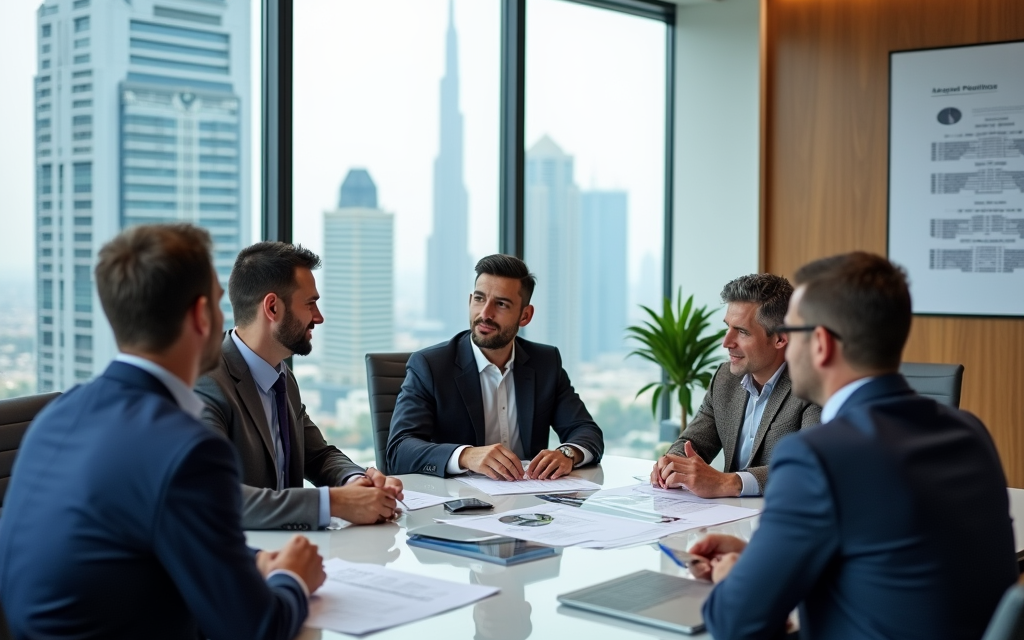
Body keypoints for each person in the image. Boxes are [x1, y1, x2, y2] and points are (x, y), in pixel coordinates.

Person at [0, 224, 354, 640]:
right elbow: (257, 633)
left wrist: (255, 562)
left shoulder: (60, 412)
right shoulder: (185, 444)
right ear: (200, 317)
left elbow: (133, 546)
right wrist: (293, 575)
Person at [676, 252, 1018, 640]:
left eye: (790, 333)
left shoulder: (818, 455)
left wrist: (737, 575)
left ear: (820, 344)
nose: (785, 349)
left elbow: (737, 625)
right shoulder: (967, 432)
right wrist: (760, 556)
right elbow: (892, 557)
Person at [196, 241, 404, 532]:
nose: (318, 317)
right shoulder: (206, 380)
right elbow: (216, 496)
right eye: (310, 304)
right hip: (238, 561)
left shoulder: (280, 374)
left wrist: (355, 481)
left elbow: (317, 454)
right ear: (272, 307)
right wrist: (335, 503)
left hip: (291, 549)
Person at [387, 254, 603, 480]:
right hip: (457, 504)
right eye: (479, 299)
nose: (485, 314)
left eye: (501, 304)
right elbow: (399, 451)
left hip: (529, 502)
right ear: (470, 301)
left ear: (525, 315)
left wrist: (567, 453)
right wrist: (466, 456)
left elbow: (586, 431)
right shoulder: (430, 366)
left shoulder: (545, 362)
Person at [651, 273, 820, 498]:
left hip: (787, 518)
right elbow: (693, 443)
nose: (726, 342)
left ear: (780, 338)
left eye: (741, 331)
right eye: (727, 327)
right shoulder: (724, 379)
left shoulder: (814, 385)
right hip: (730, 520)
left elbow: (810, 467)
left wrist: (728, 482)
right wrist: (672, 464)